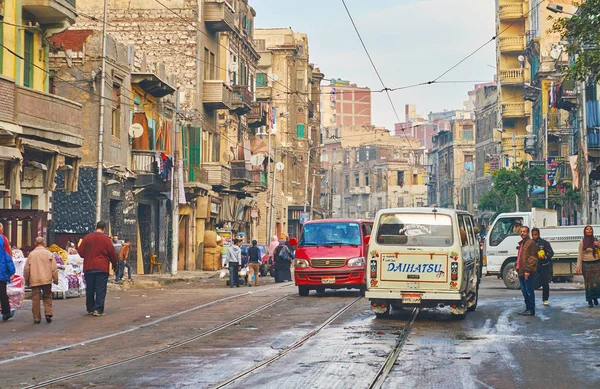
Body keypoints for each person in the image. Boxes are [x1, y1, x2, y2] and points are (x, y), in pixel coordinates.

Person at [79, 221, 118, 316]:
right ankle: (98, 309)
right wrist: (114, 264)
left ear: (96, 227)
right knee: (100, 289)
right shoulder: (106, 239)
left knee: (90, 289)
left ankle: (90, 308)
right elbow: (112, 253)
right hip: (102, 267)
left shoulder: (87, 237)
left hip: (89, 267)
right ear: (104, 229)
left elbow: (80, 252)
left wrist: (88, 255)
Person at [23, 238, 58, 324]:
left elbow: (26, 269)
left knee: (35, 299)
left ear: (35, 243)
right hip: (46, 279)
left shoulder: (31, 255)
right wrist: (55, 279)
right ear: (44, 243)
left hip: (34, 280)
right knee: (47, 296)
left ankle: (36, 318)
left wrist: (26, 279)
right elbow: (54, 268)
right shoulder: (48, 254)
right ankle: (48, 313)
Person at [516, 226, 538, 316]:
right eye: (521, 232)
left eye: (524, 232)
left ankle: (531, 309)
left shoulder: (530, 243)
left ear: (528, 233)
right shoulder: (522, 243)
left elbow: (533, 258)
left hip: (527, 272)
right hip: (521, 271)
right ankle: (527, 308)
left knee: (529, 290)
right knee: (524, 291)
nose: (522, 233)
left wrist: (528, 270)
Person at [576, 225, 600, 308]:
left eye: (590, 229)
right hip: (586, 265)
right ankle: (590, 300)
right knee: (588, 283)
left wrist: (598, 245)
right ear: (585, 231)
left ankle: (595, 297)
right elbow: (580, 255)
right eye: (587, 229)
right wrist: (578, 266)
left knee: (597, 282)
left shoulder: (596, 240)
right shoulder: (582, 242)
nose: (589, 231)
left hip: (597, 264)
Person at [531, 228, 554, 306]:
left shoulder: (544, 243)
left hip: (543, 265)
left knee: (545, 283)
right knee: (532, 283)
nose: (534, 236)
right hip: (533, 266)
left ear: (539, 234)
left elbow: (551, 253)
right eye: (533, 235)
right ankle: (531, 299)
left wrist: (545, 257)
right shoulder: (530, 243)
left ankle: (545, 299)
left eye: (535, 235)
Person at [0, 223, 16, 322]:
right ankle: (6, 313)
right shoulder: (3, 239)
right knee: (2, 293)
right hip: (1, 271)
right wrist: (11, 271)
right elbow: (7, 256)